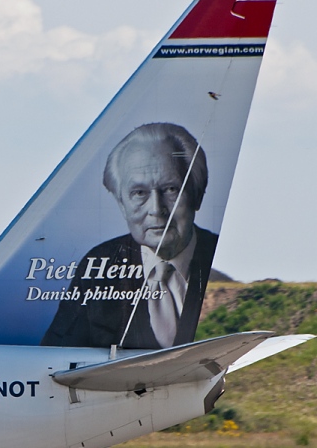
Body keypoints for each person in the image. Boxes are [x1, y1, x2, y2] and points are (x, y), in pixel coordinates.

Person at [41, 122, 217, 350]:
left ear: (197, 195)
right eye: (139, 193)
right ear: (121, 204)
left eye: (171, 189)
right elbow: (54, 357)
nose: (156, 208)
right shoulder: (98, 266)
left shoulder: (216, 254)